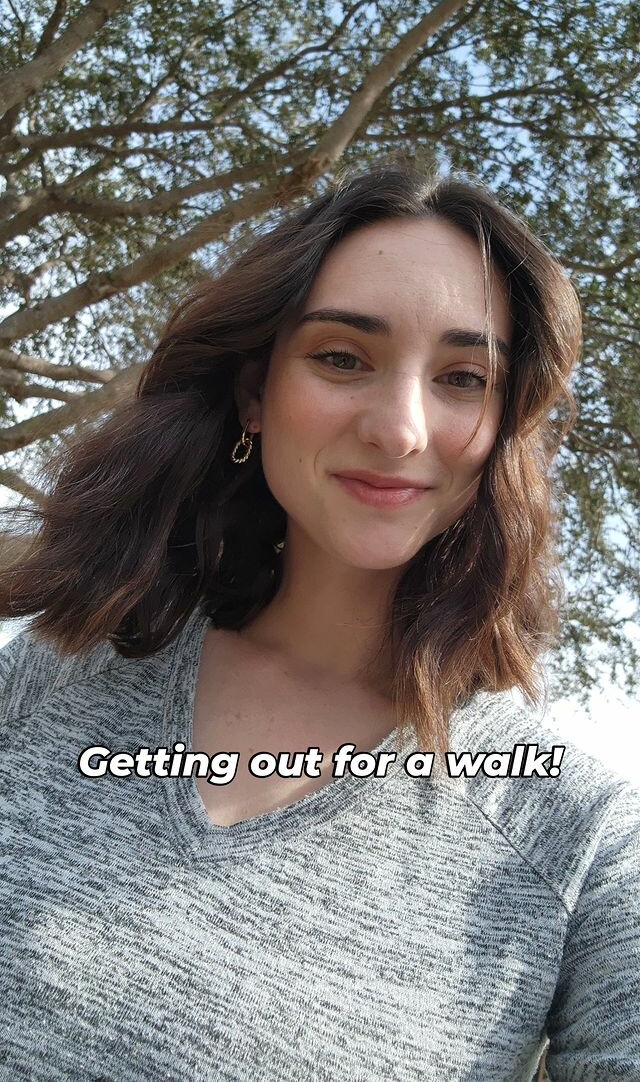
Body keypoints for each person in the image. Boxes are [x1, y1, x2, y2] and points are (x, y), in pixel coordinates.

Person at [0, 162, 638, 1081]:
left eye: (465, 378)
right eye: (343, 358)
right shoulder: (56, 675)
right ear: (254, 393)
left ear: (507, 429)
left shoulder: (582, 839)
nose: (400, 429)